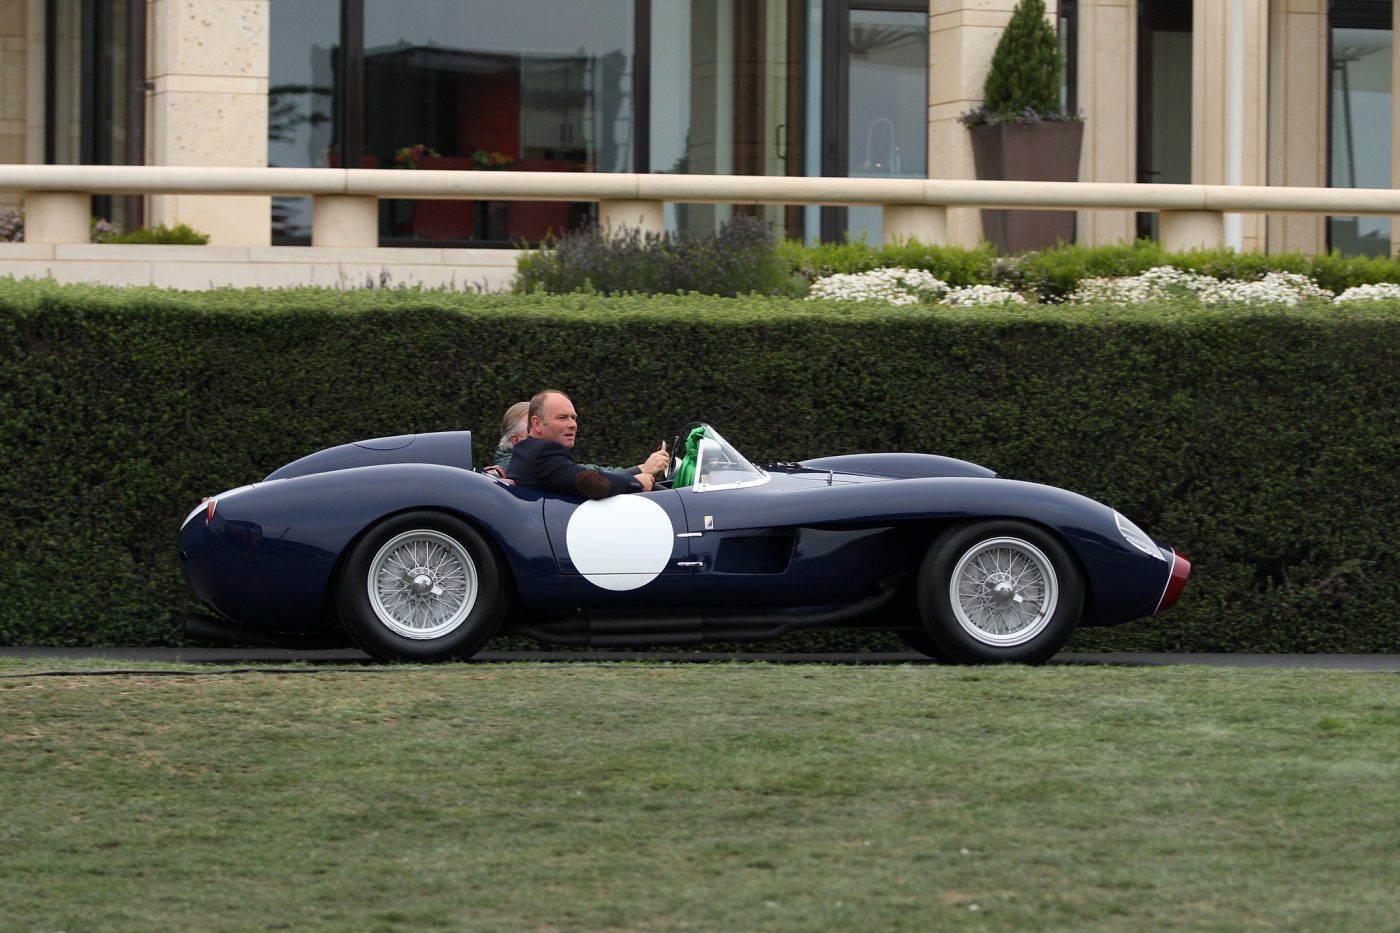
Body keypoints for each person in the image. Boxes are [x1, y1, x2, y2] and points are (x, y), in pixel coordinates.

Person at [507, 389, 667, 498]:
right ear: (536, 424)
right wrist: (636, 482)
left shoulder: (525, 449)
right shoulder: (543, 452)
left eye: (573, 418)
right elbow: (588, 482)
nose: (572, 424)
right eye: (562, 418)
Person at [492, 399, 666, 477]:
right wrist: (638, 472)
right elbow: (585, 475)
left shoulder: (519, 462)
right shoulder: (526, 465)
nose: (572, 425)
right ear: (516, 441)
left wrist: (640, 469)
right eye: (535, 430)